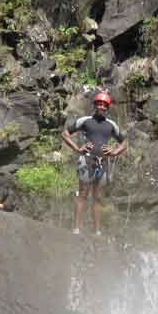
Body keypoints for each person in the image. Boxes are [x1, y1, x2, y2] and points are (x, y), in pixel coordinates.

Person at [61, 91, 128, 236]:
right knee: (83, 194)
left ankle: (97, 232)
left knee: (98, 197)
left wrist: (114, 152)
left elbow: (124, 143)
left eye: (104, 105)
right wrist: (77, 148)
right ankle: (77, 229)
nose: (101, 106)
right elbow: (65, 134)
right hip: (87, 160)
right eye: (99, 103)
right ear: (95, 105)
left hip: (102, 163)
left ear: (107, 107)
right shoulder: (85, 121)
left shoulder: (111, 125)